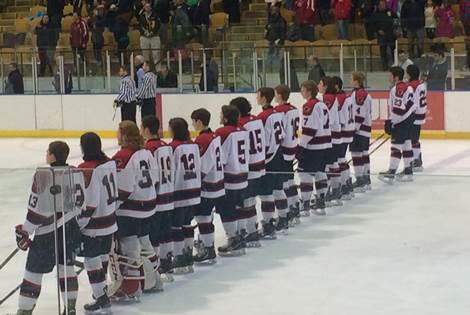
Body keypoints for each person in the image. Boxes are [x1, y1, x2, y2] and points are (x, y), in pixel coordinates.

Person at [15, 141, 83, 315]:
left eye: (48, 151)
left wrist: (25, 231)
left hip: (47, 235)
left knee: (33, 271)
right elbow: (81, 202)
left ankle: (24, 311)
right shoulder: (75, 171)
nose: (46, 154)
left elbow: (37, 210)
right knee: (66, 267)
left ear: (52, 156)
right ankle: (71, 308)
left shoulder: (43, 175)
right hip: (69, 228)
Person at [110, 121, 159, 302]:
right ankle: (154, 280)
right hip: (148, 205)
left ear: (124, 135)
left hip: (131, 210)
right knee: (145, 243)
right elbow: (155, 178)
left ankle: (131, 289)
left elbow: (123, 189)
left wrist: (111, 209)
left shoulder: (123, 156)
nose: (116, 135)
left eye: (118, 132)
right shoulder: (145, 152)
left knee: (128, 248)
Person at [77, 132, 118, 314]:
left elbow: (90, 202)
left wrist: (79, 224)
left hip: (94, 225)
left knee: (91, 260)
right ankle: (101, 292)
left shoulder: (87, 168)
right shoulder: (109, 163)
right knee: (102, 257)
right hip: (110, 220)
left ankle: (101, 297)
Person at [141, 115, 175, 281]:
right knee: (166, 232)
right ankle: (168, 262)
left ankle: (156, 267)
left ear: (146, 130)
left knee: (154, 235)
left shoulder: (148, 149)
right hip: (169, 195)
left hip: (157, 198)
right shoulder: (166, 146)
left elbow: (152, 176)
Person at [229, 97, 265, 245]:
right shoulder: (256, 120)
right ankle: (251, 229)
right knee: (249, 200)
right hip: (259, 163)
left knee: (243, 202)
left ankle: (247, 230)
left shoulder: (241, 125)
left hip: (248, 167)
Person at [190, 108, 225, 262]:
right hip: (218, 182)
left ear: (199, 121)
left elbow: (203, 166)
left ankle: (208, 249)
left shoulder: (202, 140)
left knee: (202, 217)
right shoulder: (214, 136)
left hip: (208, 186)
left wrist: (196, 182)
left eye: (193, 121)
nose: (192, 124)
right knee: (206, 217)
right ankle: (207, 245)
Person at [214, 105, 250, 255]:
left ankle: (233, 239)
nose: (220, 116)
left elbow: (220, 158)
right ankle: (240, 236)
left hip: (229, 177)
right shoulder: (243, 131)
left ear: (226, 118)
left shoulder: (222, 132)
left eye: (221, 114)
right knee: (237, 206)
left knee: (226, 209)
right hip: (243, 174)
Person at [168, 118, 201, 272]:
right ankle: (187, 254)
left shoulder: (173, 147)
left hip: (179, 191)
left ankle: (179, 256)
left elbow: (171, 171)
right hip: (193, 189)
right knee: (187, 223)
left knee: (176, 226)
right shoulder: (193, 144)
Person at [297, 80, 331, 216]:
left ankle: (305, 206)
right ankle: (321, 203)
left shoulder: (308, 105)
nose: (301, 92)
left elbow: (310, 130)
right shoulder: (322, 104)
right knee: (320, 173)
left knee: (304, 174)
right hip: (325, 145)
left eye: (303, 89)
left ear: (309, 91)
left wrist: (301, 147)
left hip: (313, 147)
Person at [255, 87, 286, 234]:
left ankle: (267, 224)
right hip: (279, 154)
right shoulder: (278, 113)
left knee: (266, 193)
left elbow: (263, 141)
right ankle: (283, 218)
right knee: (278, 189)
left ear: (264, 98)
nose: (256, 98)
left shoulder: (262, 116)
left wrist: (264, 159)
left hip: (270, 157)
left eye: (258, 95)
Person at [379, 66, 416, 182]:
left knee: (396, 147)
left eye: (390, 75)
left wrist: (392, 122)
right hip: (409, 120)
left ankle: (391, 172)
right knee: (407, 145)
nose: (389, 77)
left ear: (396, 77)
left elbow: (398, 109)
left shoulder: (396, 89)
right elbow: (410, 106)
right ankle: (409, 172)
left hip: (401, 121)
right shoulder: (408, 88)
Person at [272, 85, 301, 224]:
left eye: (276, 94)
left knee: (283, 183)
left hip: (283, 150)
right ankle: (295, 207)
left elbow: (280, 133)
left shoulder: (278, 111)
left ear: (280, 95)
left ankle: (288, 212)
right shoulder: (294, 109)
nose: (275, 96)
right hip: (292, 147)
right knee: (290, 181)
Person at [318, 77, 343, 207]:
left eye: (320, 83)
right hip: (335, 135)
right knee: (333, 164)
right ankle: (336, 192)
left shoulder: (327, 98)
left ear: (326, 86)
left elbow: (328, 119)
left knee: (328, 165)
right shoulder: (333, 97)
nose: (318, 85)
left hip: (330, 136)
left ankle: (328, 193)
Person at [332, 76, 355, 199]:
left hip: (343, 132)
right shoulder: (347, 96)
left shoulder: (339, 98)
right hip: (348, 131)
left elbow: (339, 119)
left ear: (336, 86)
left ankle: (343, 187)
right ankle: (347, 185)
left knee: (338, 160)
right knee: (341, 159)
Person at [349, 72, 372, 191]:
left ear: (356, 81)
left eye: (351, 79)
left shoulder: (359, 94)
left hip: (359, 130)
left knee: (357, 155)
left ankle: (360, 181)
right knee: (364, 154)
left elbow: (359, 114)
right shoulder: (361, 93)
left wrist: (354, 129)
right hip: (365, 130)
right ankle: (366, 180)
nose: (350, 80)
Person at [406, 64, 427, 171]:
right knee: (414, 139)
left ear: (409, 74)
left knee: (412, 139)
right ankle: (417, 159)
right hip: (421, 114)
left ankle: (417, 161)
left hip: (414, 115)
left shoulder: (411, 86)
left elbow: (411, 102)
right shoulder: (421, 84)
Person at [370, 0, 397, 70]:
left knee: (393, 50)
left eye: (384, 4)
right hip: (381, 36)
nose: (383, 6)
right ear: (378, 6)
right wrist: (378, 30)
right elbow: (372, 25)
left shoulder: (390, 12)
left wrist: (395, 29)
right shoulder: (375, 14)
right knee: (383, 52)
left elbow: (396, 19)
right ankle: (384, 66)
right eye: (381, 5)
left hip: (390, 34)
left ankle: (394, 64)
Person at [139, 3, 161, 68]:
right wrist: (145, 33)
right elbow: (140, 26)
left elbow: (158, 25)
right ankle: (146, 70)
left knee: (156, 54)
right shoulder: (141, 16)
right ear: (144, 8)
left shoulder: (156, 15)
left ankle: (158, 70)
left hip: (154, 36)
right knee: (145, 55)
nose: (147, 8)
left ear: (151, 8)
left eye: (149, 7)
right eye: (146, 7)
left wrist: (152, 32)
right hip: (144, 37)